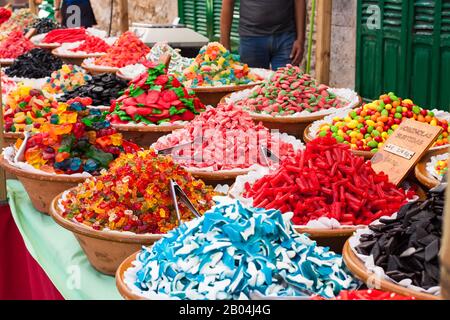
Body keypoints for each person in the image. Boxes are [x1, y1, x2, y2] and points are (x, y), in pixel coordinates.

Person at [220, 0, 306, 70]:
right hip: (251, 40)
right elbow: (228, 2)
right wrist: (224, 45)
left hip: (285, 38)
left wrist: (300, 40)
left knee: (287, 86)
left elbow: (299, 1)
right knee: (253, 86)